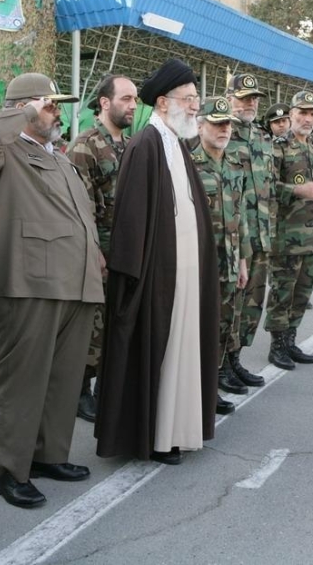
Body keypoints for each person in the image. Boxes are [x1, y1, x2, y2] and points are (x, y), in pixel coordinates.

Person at [0, 73, 103, 508]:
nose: (58, 113)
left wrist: (94, 254)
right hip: (24, 285)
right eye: (50, 105)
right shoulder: (2, 154)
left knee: (62, 379)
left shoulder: (58, 157)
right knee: (21, 382)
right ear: (23, 107)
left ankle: (47, 456)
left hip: (74, 283)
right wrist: (24, 110)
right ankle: (10, 470)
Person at [95, 58, 220, 465]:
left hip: (184, 274)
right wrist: (133, 282)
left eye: (196, 98)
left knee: (183, 350)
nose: (196, 106)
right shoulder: (145, 144)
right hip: (156, 278)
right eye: (189, 99)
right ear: (163, 102)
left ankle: (177, 429)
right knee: (160, 352)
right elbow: (131, 222)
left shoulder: (176, 144)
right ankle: (156, 435)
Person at [67, 73, 137, 423]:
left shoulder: (131, 145)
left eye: (135, 99)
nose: (133, 105)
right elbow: (80, 208)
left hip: (128, 253)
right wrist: (94, 252)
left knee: (119, 324)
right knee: (92, 327)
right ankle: (79, 391)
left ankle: (107, 389)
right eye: (126, 99)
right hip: (100, 254)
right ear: (105, 103)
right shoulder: (85, 146)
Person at [191, 97, 250, 414]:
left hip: (230, 261)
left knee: (224, 325)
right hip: (202, 265)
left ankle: (210, 387)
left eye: (228, 123)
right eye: (217, 123)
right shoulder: (189, 165)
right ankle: (196, 394)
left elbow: (240, 217)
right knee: (200, 328)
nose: (224, 129)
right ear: (200, 126)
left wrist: (242, 261)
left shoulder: (235, 164)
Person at [263, 91, 313, 370]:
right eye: (302, 113)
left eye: (312, 113)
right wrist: (297, 190)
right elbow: (266, 186)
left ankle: (290, 340)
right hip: (286, 237)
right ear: (291, 115)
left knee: (302, 293)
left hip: (311, 237)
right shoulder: (278, 147)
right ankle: (277, 346)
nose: (308, 118)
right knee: (282, 293)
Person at [224, 73, 273, 390]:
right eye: (244, 97)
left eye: (254, 98)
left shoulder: (262, 137)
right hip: (234, 237)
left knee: (252, 304)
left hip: (262, 235)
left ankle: (235, 359)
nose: (251, 103)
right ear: (229, 98)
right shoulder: (221, 133)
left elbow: (270, 188)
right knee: (231, 304)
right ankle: (220, 365)